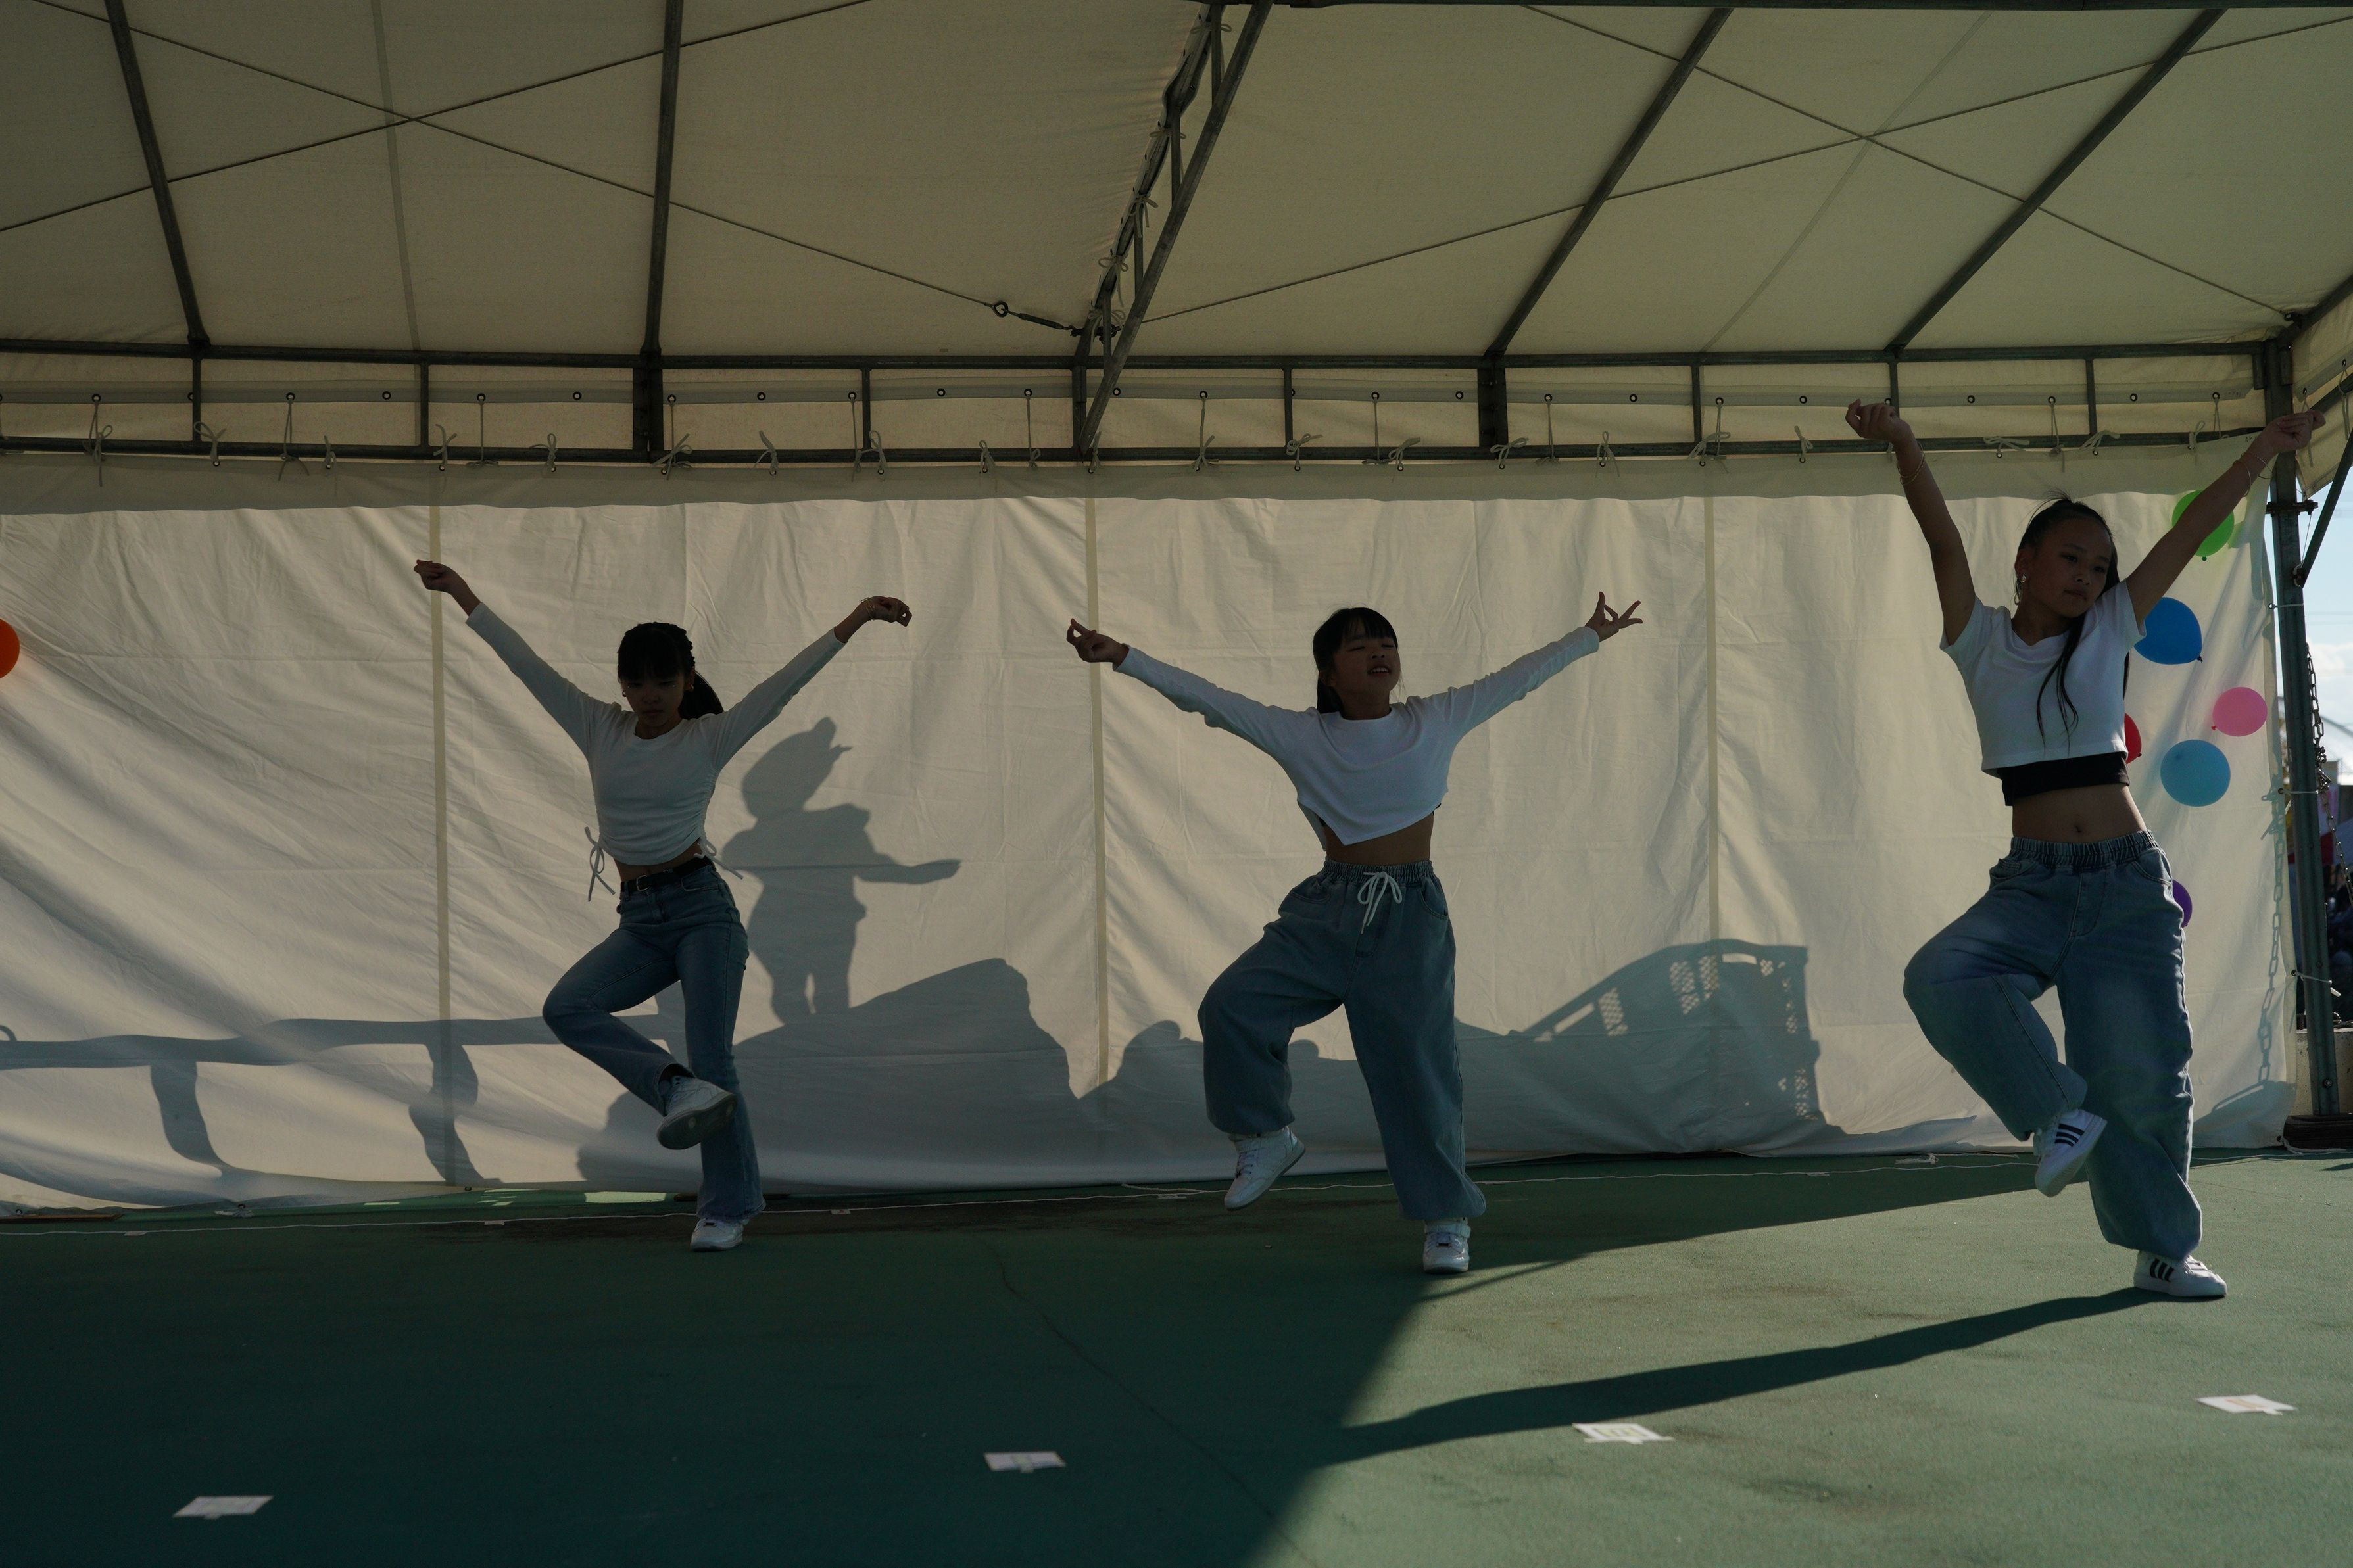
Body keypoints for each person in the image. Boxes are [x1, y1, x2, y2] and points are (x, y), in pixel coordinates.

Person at [1849, 398, 2323, 1300]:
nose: (2087, 575)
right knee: (1940, 977)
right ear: (2025, 561)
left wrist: (2262, 451)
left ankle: (2162, 1250)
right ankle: (2057, 1115)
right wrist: (1904, 442)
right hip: (2030, 886)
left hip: (2123, 884)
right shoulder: (1977, 638)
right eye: (2070, 557)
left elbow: (2189, 531)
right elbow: (1940, 540)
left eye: (2100, 565)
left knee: (2143, 1075)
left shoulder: (2112, 626)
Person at [1065, 593, 1642, 1274]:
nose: (1377, 653)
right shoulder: (1301, 734)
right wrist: (1124, 657)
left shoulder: (1435, 718)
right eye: (1358, 646)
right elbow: (1208, 699)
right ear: (1328, 673)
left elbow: (1516, 680)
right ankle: (1265, 1136)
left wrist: (1588, 635)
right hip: (1325, 912)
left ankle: (1446, 1220)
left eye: (1385, 642)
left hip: (1409, 918)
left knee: (1417, 1070)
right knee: (1233, 1005)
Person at [413, 559, 911, 1252]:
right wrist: (462, 593)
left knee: (715, 1062)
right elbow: (522, 662)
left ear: (687, 681)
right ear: (621, 684)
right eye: (637, 682)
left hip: (703, 912)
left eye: (664, 682)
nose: (650, 696)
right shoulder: (598, 726)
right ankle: (673, 1087)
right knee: (569, 1007)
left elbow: (786, 684)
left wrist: (858, 617)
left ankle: (726, 1208)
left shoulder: (709, 737)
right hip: (640, 920)